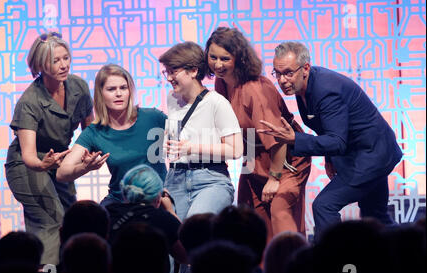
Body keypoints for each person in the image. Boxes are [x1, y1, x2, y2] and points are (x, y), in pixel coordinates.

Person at [259, 41, 403, 240]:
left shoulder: (327, 91)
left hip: (371, 156)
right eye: (277, 73)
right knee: (376, 218)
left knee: (324, 205)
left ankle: (331, 261)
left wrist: (294, 139)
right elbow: (328, 128)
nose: (282, 80)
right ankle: (411, 248)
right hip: (373, 152)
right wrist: (330, 159)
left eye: (288, 73)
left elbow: (337, 141)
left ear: (305, 68)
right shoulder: (304, 87)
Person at [205, 27, 311, 240]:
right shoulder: (221, 83)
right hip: (253, 158)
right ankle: (261, 271)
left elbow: (278, 138)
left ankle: (295, 267)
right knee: (248, 220)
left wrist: (274, 177)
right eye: (213, 57)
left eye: (225, 59)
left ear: (239, 58)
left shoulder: (255, 90)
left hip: (284, 159)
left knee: (280, 214)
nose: (217, 64)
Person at [5, 32, 94, 265]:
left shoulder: (79, 87)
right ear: (40, 65)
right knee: (50, 220)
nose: (64, 65)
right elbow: (29, 156)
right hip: (27, 166)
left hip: (59, 160)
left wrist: (88, 154)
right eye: (56, 60)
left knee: (72, 221)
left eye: (66, 58)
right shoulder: (30, 101)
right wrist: (42, 165)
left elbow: (90, 129)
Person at [57, 64, 167, 206]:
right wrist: (85, 167)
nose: (118, 94)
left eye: (123, 88)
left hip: (156, 199)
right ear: (101, 94)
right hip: (120, 201)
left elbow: (184, 136)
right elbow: (62, 173)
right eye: (111, 89)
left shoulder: (153, 117)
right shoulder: (94, 132)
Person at [158, 41, 243, 222]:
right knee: (175, 241)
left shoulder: (216, 102)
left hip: (210, 179)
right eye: (167, 72)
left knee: (196, 229)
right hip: (175, 178)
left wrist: (192, 148)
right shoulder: (171, 98)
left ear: (194, 71)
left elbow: (236, 150)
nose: (169, 78)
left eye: (173, 71)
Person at [105, 164, 187, 265]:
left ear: (124, 193)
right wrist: (170, 211)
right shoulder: (164, 219)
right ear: (158, 198)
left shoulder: (108, 215)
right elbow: (187, 256)